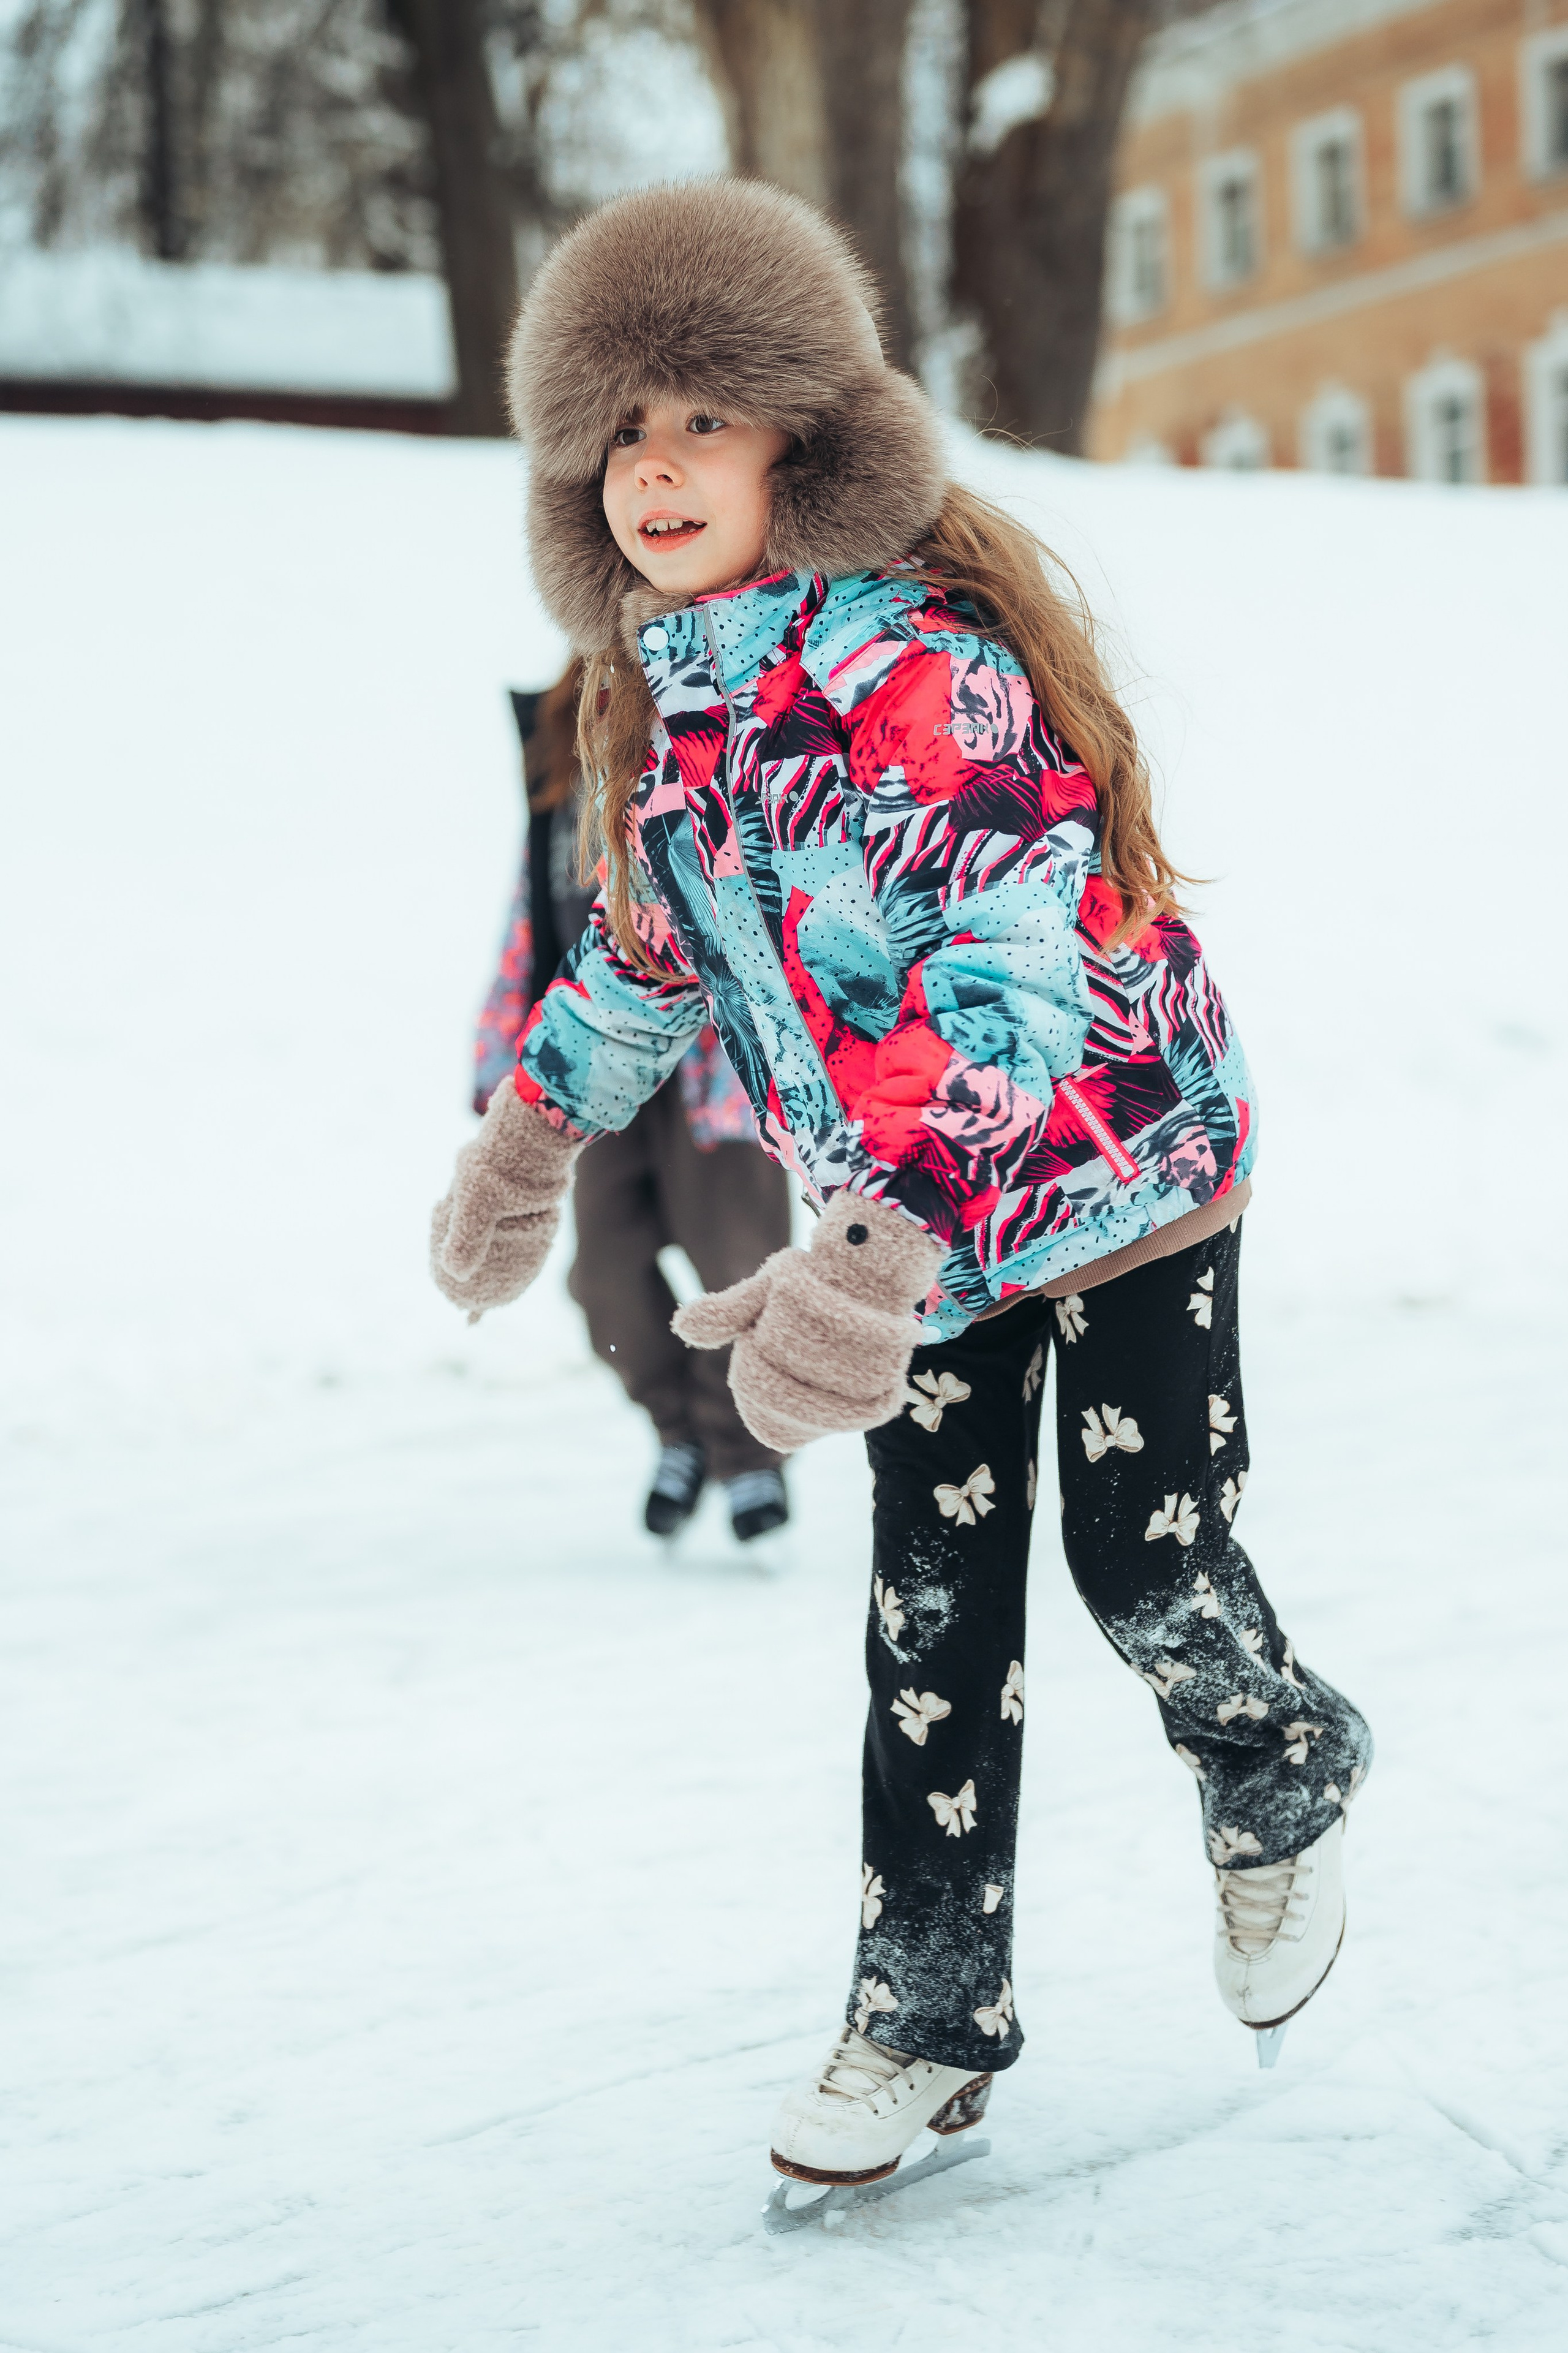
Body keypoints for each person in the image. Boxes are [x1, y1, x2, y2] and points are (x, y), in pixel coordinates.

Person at [430, 180, 1373, 2189]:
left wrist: (865, 1239)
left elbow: (1017, 982)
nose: (656, 465)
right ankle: (923, 2013)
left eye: (701, 415)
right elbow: (653, 959)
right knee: (930, 1617)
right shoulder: (681, 718)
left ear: (805, 437)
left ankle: (1277, 1757)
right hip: (904, 1240)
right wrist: (532, 1131)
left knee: (1142, 1555)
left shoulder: (919, 674)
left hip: (1117, 1181)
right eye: (621, 431)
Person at [472, 662, 793, 1545]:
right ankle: (680, 1429)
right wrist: (508, 1044)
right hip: (596, 1048)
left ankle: (748, 1454)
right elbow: (535, 903)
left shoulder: (729, 697)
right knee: (603, 1275)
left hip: (719, 1061)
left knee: (740, 1262)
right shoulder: (561, 731)